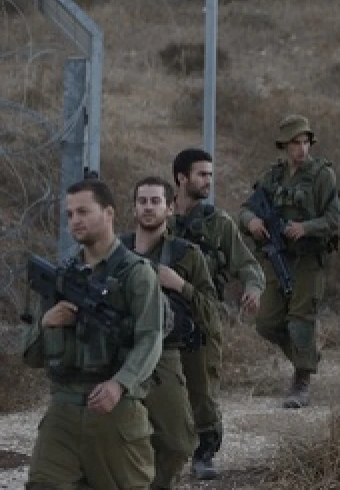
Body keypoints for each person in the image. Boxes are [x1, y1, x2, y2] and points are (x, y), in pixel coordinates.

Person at [22, 179, 164, 489]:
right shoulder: (62, 277)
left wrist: (120, 384)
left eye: (83, 211)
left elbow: (151, 338)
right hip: (63, 413)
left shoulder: (136, 273)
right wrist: (47, 322)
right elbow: (30, 356)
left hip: (115, 413)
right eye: (70, 214)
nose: (75, 220)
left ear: (109, 213)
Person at [170, 147, 265, 479]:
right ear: (181, 178)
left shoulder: (218, 224)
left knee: (203, 389)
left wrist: (253, 288)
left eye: (210, 174)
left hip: (201, 318)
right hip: (160, 320)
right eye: (201, 174)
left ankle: (205, 452)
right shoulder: (160, 219)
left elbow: (247, 264)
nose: (208, 180)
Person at [239, 114, 340, 408]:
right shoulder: (272, 176)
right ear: (284, 145)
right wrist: (253, 222)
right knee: (266, 322)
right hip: (275, 256)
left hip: (308, 258)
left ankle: (301, 381)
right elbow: (244, 210)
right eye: (295, 143)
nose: (301, 148)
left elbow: (333, 219)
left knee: (300, 322)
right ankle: (305, 356)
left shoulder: (323, 175)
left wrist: (305, 228)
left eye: (306, 142)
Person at [123, 176, 218, 489]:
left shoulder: (187, 255)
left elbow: (212, 312)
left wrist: (179, 285)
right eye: (143, 202)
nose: (149, 208)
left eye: (155, 202)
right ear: (134, 208)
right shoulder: (115, 252)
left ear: (170, 207)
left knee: (177, 444)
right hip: (117, 354)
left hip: (165, 356)